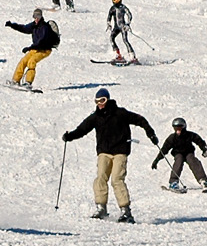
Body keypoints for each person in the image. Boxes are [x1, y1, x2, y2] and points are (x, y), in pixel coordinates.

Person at [62, 87, 157, 223]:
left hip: (120, 150)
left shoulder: (120, 113)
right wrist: (69, 136)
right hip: (104, 151)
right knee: (101, 177)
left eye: (102, 100)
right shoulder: (96, 117)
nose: (100, 104)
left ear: (107, 99)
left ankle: (126, 211)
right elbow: (82, 129)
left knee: (117, 179)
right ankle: (101, 208)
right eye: (97, 101)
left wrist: (151, 133)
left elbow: (140, 120)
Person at [4, 9, 59, 88]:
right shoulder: (34, 25)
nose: (36, 18)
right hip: (35, 49)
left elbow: (41, 42)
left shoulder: (44, 28)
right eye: (35, 16)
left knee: (31, 61)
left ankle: (28, 82)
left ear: (41, 16)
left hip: (45, 50)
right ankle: (15, 81)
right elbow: (24, 28)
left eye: (38, 16)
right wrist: (12, 25)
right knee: (23, 61)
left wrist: (29, 48)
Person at [152, 118, 207, 192]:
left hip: (188, 152)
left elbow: (199, 141)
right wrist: (156, 160)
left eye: (179, 128)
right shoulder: (172, 138)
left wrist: (204, 149)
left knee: (192, 160)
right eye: (175, 128)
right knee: (179, 160)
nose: (178, 130)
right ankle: (173, 182)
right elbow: (164, 149)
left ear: (184, 127)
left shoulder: (189, 135)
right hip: (178, 153)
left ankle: (203, 181)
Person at [106, 0, 136, 64]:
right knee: (112, 38)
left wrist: (128, 24)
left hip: (123, 27)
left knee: (125, 40)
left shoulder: (123, 7)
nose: (116, 1)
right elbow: (109, 17)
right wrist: (109, 23)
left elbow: (129, 15)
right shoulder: (113, 8)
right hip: (116, 27)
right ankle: (118, 55)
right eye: (114, 0)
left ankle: (132, 56)